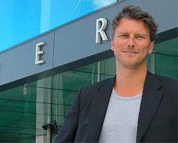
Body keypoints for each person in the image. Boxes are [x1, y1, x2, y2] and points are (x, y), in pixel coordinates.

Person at [54, 5, 177, 143]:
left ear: (151, 46)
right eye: (124, 35)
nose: (131, 43)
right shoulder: (86, 96)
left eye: (139, 37)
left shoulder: (174, 92)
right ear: (112, 44)